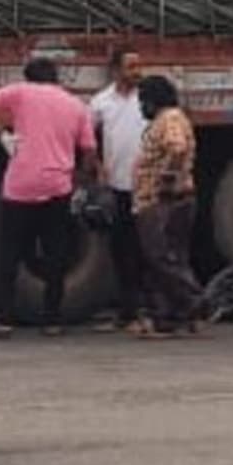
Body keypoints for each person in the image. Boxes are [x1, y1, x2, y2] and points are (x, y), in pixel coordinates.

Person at [0, 57, 98, 339]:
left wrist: (3, 135)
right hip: (57, 186)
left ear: (29, 77)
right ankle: (52, 320)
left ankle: (4, 319)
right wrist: (80, 178)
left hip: (20, 186)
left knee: (9, 254)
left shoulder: (21, 93)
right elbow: (89, 151)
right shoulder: (76, 105)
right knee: (56, 253)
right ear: (56, 78)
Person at [131, 74, 201, 338]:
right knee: (173, 258)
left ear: (153, 100)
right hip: (169, 199)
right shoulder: (172, 118)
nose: (140, 107)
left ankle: (194, 299)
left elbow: (178, 148)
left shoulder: (169, 118)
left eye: (142, 101)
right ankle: (172, 318)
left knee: (160, 258)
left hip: (161, 200)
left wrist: (166, 180)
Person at [89, 47, 148, 335]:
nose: (137, 72)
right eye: (131, 67)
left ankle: (147, 310)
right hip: (118, 186)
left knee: (148, 250)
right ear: (115, 70)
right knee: (121, 251)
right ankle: (127, 312)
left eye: (139, 66)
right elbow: (87, 139)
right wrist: (98, 168)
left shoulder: (147, 99)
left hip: (147, 186)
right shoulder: (101, 102)